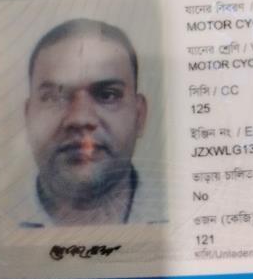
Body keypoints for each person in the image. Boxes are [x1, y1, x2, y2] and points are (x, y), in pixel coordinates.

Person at [17, 18, 160, 227]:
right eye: (54, 97)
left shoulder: (184, 214)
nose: (80, 118)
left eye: (108, 95)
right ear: (28, 117)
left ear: (139, 115)